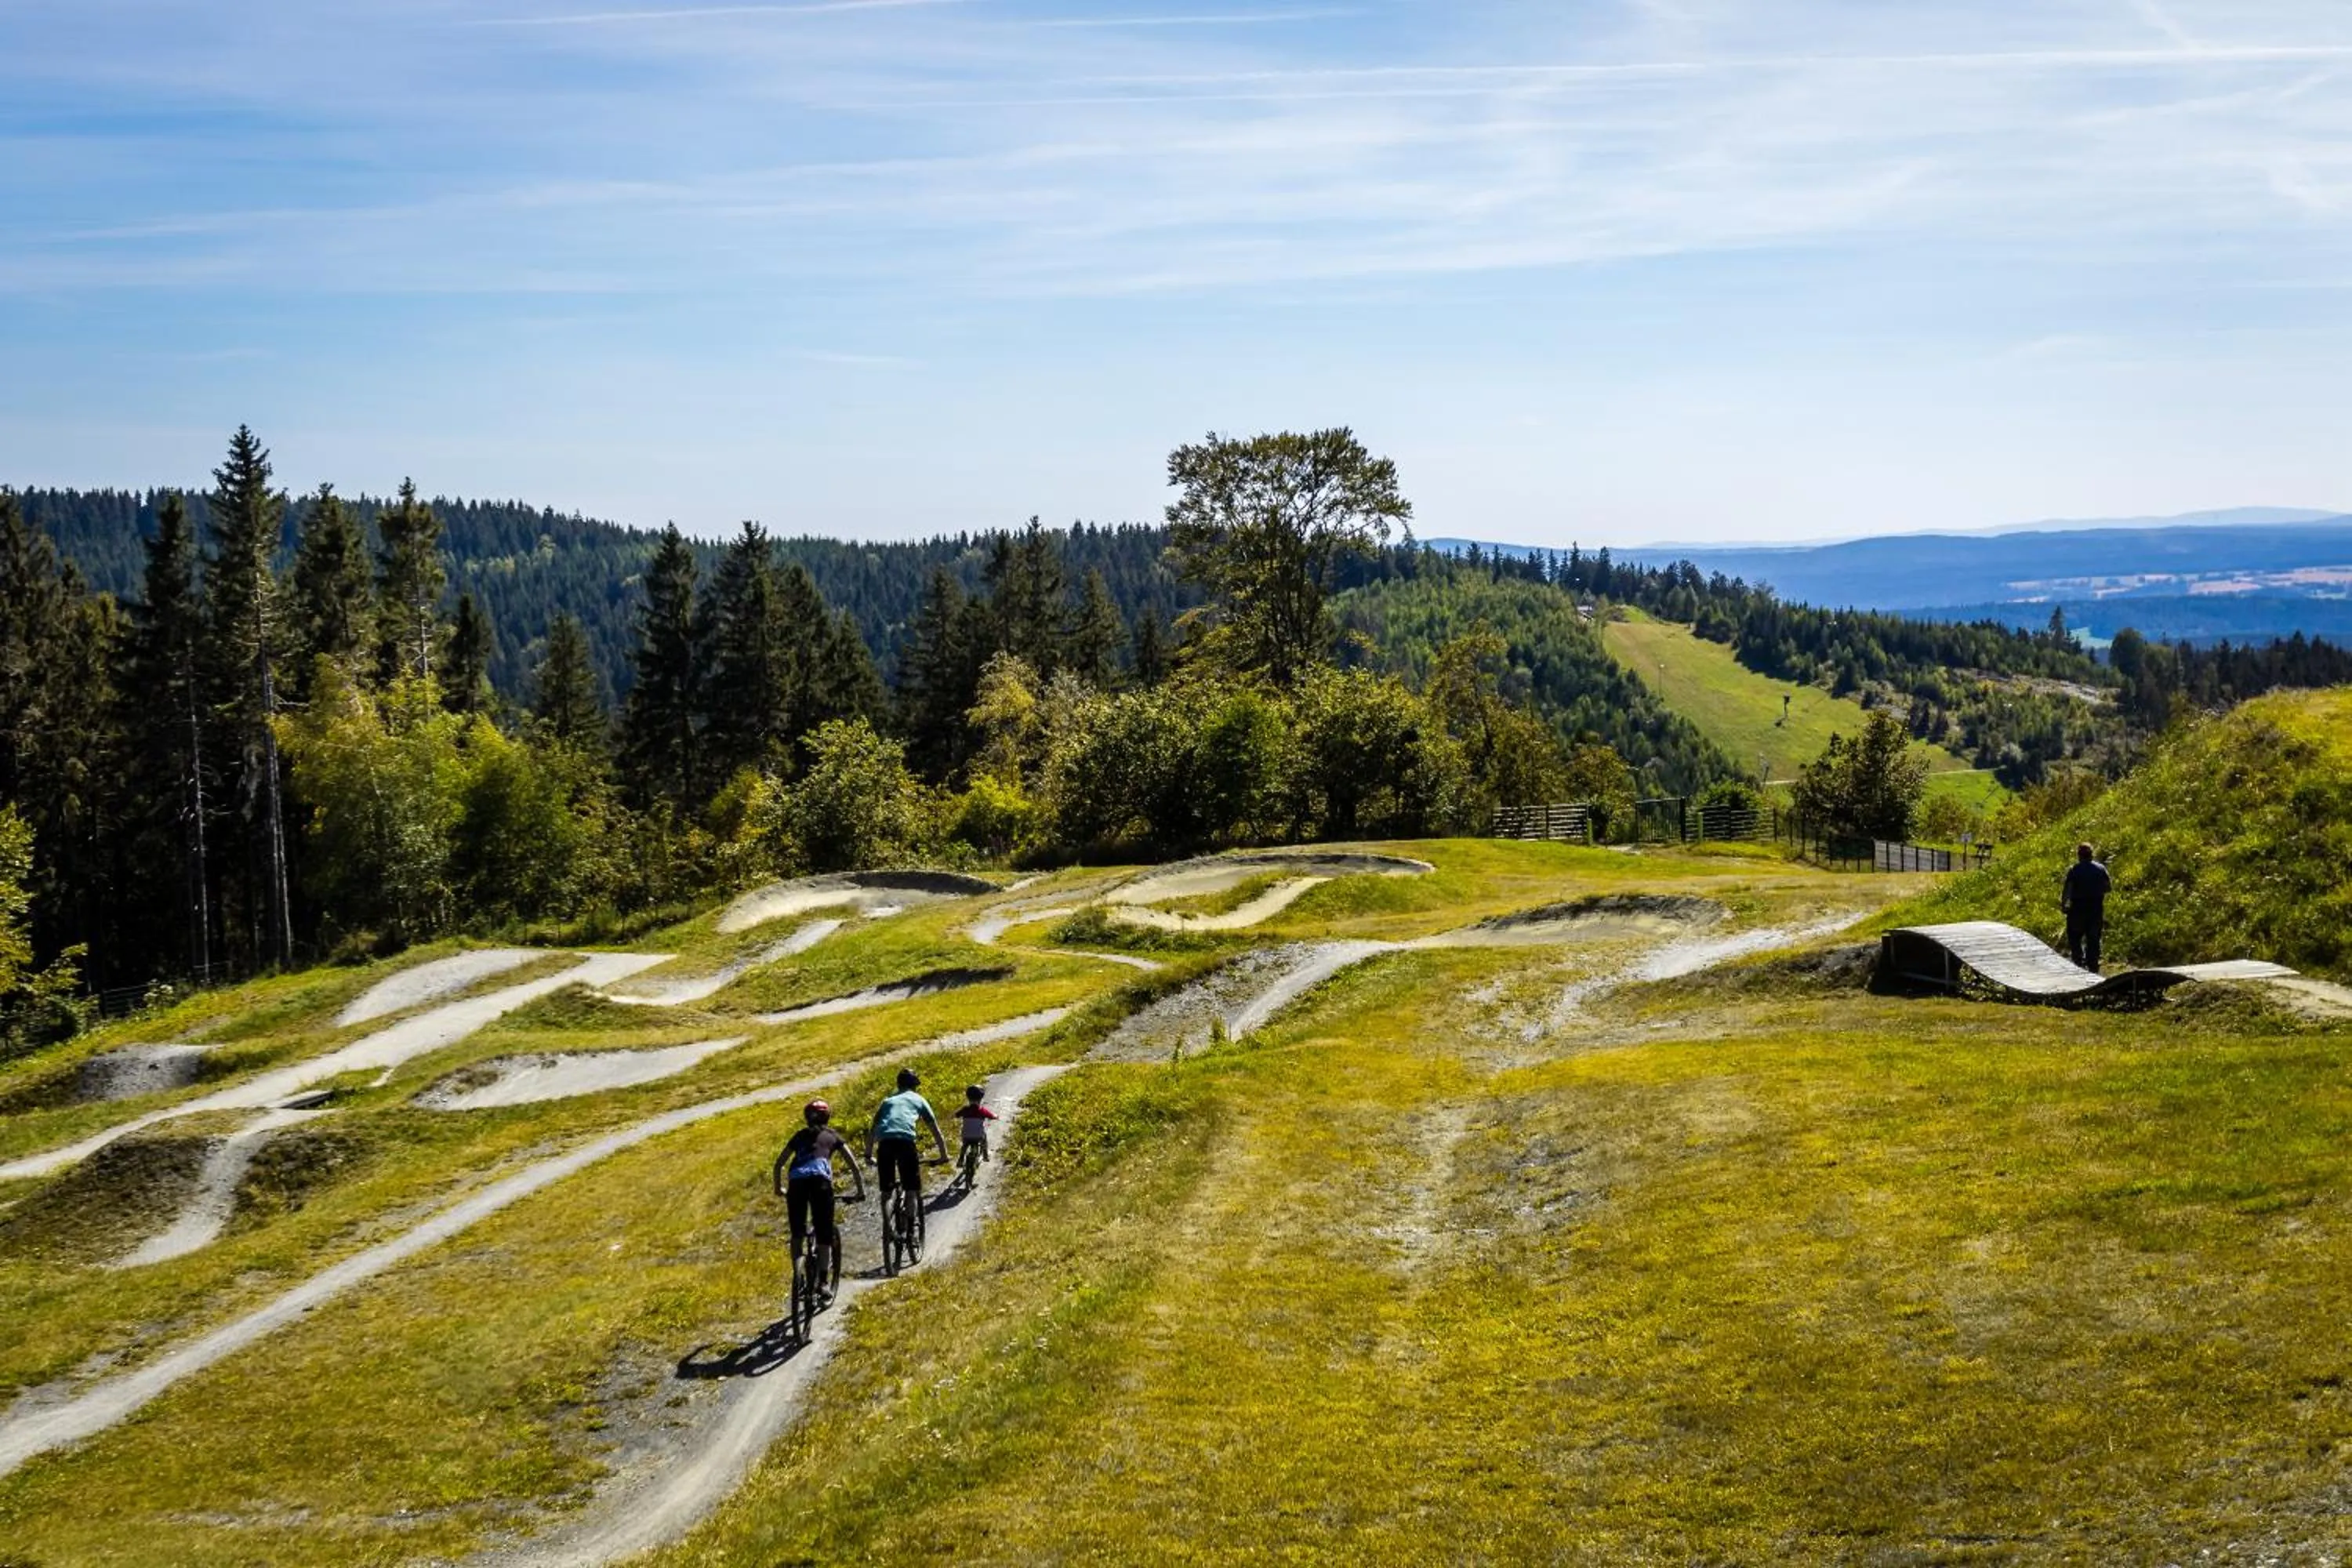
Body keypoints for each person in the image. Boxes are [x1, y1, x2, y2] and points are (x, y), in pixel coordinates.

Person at [772, 1100, 863, 1305]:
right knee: (824, 1234)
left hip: (796, 1183)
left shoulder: (799, 1136)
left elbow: (779, 1164)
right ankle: (823, 1282)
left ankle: (799, 1276)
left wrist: (779, 1189)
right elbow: (854, 1166)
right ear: (827, 1117)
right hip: (820, 1183)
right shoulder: (832, 1136)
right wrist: (860, 1191)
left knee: (797, 1234)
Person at [867, 1067, 948, 1214]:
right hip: (905, 1142)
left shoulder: (887, 1101)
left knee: (886, 1190)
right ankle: (911, 1232)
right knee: (911, 1189)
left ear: (898, 1085)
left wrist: (868, 1155)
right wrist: (943, 1155)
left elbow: (873, 1129)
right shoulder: (919, 1100)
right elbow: (935, 1131)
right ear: (915, 1086)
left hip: (885, 1143)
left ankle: (888, 1227)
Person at [2061, 841, 2111, 971]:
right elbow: (2108, 888)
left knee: (2074, 937)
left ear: (2079, 855)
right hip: (2095, 909)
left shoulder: (2074, 870)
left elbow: (2068, 890)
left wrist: (2064, 905)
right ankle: (2093, 965)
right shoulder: (2101, 869)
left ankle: (2078, 963)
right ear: (2091, 855)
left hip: (2078, 910)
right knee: (2093, 938)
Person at [955, 1083, 998, 1169]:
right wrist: (996, 1116)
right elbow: (992, 1116)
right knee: (984, 1140)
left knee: (964, 1145)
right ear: (981, 1099)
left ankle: (960, 1160)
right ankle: (985, 1156)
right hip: (978, 1136)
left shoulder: (965, 1109)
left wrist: (958, 1115)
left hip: (966, 1135)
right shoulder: (982, 1111)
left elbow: (957, 1115)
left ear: (968, 1097)